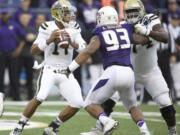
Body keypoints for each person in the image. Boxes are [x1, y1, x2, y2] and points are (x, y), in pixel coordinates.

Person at [81, 0, 178, 135]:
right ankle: (100, 130)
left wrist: (148, 31)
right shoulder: (122, 25)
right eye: (129, 12)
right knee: (110, 99)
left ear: (142, 11)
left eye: (134, 11)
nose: (132, 15)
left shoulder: (151, 19)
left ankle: (172, 131)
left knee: (165, 101)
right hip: (128, 70)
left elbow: (165, 37)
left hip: (150, 71)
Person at [63, 6, 151, 135]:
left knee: (89, 103)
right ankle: (145, 131)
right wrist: (147, 31)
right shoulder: (126, 28)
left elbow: (88, 51)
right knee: (132, 107)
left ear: (103, 17)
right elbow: (142, 40)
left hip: (112, 72)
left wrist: (69, 68)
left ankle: (107, 122)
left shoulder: (99, 31)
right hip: (128, 73)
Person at [9, 1, 86, 135]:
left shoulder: (75, 27)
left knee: (77, 103)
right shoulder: (46, 27)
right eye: (66, 13)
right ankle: (19, 126)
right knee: (40, 96)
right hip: (49, 69)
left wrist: (72, 43)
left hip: (66, 71)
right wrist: (49, 40)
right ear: (58, 14)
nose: (70, 16)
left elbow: (84, 50)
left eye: (69, 13)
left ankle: (51, 128)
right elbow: (34, 50)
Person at [0, 8, 25, 101]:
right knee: (0, 76)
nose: (4, 16)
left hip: (12, 53)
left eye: (5, 14)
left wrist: (18, 49)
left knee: (14, 75)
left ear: (8, 15)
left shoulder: (14, 25)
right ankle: (0, 96)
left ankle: (16, 96)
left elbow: (23, 37)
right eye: (3, 14)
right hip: (1, 54)